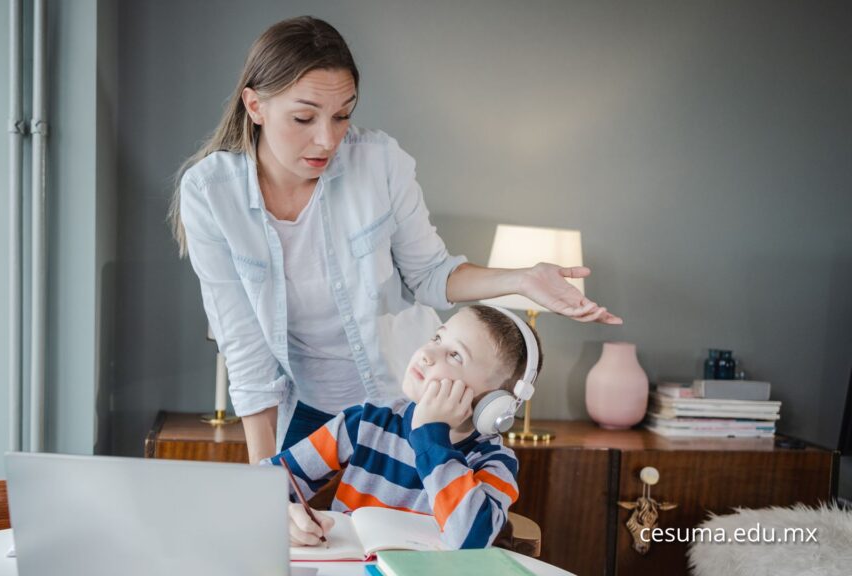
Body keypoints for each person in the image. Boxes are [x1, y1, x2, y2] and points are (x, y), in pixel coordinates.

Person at [170, 16, 621, 464]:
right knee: (291, 510)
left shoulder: (379, 162)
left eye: (342, 115)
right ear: (255, 106)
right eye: (304, 117)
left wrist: (521, 280)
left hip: (407, 405)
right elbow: (244, 344)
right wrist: (264, 476)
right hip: (307, 413)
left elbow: (430, 274)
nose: (326, 139)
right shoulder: (210, 193)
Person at [264, 305, 542, 550]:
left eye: (455, 355)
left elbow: (470, 538)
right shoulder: (366, 423)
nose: (427, 354)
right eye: (437, 338)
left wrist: (430, 435)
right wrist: (284, 514)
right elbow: (263, 483)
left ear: (492, 404)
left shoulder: (494, 463)